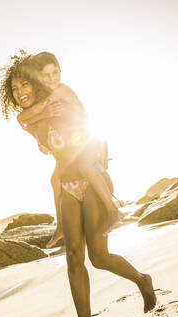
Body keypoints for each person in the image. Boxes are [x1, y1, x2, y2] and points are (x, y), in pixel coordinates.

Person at [0, 52, 156, 317]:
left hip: (92, 180)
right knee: (73, 256)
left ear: (35, 83)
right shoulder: (32, 120)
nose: (20, 92)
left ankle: (142, 280)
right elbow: (25, 120)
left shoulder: (62, 94)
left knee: (99, 257)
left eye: (25, 84)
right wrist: (45, 112)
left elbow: (83, 136)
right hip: (68, 187)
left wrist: (48, 109)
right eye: (15, 89)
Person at [16, 52, 123, 247]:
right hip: (75, 147)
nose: (52, 79)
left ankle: (113, 210)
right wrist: (36, 117)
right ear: (38, 78)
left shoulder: (60, 90)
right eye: (46, 76)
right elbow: (26, 118)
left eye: (55, 72)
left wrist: (32, 117)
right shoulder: (48, 97)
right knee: (55, 179)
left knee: (85, 166)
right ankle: (61, 226)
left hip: (89, 139)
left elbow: (26, 117)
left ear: (60, 71)